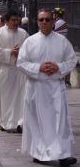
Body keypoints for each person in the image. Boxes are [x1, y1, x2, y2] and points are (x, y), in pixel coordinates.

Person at [17, 9, 77, 166]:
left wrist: (58, 67)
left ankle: (63, 154)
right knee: (38, 121)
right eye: (41, 20)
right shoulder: (30, 42)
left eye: (47, 20)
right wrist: (39, 68)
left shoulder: (62, 41)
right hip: (36, 87)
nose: (44, 22)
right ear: (37, 22)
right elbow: (21, 63)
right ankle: (39, 153)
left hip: (56, 86)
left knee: (60, 120)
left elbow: (71, 61)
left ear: (53, 21)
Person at [0, 10, 28, 132]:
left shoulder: (23, 33)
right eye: (13, 20)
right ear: (6, 21)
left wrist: (20, 53)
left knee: (20, 97)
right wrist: (9, 52)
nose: (16, 23)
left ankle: (19, 122)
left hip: (19, 70)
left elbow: (29, 50)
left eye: (18, 20)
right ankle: (4, 122)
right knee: (4, 97)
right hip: (4, 70)